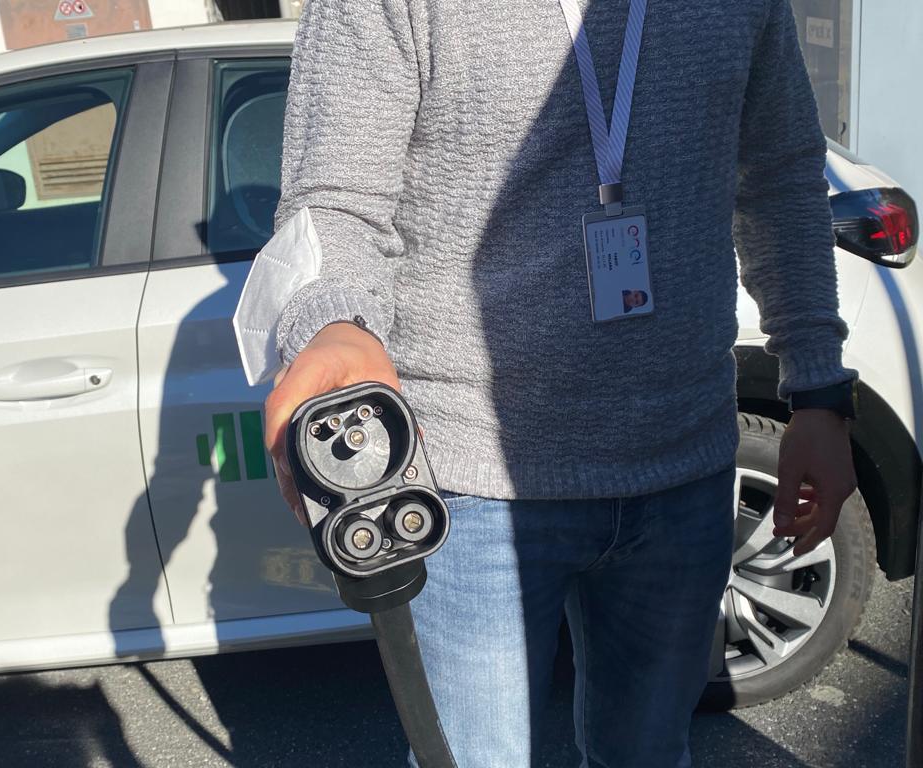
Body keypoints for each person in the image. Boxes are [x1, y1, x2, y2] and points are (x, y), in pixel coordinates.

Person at [263, 1, 859, 766]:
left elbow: (781, 178)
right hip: (468, 477)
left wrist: (818, 389)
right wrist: (335, 322)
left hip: (686, 462)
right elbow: (334, 200)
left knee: (649, 755)